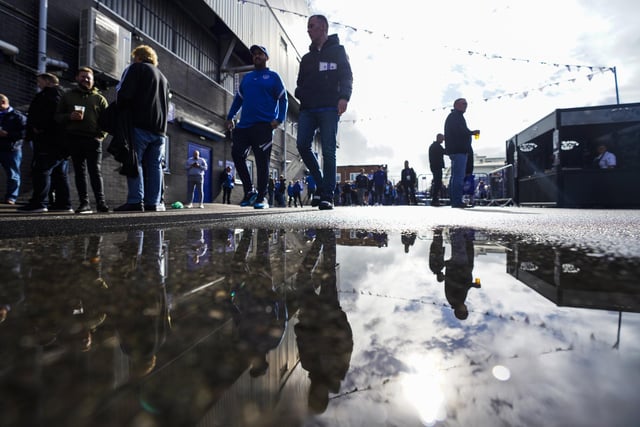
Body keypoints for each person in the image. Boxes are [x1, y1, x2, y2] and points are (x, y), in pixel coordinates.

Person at [295, 14, 353, 211]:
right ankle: (320, 184)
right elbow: (299, 83)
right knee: (302, 145)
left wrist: (344, 97)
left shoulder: (338, 51)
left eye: (311, 26)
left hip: (329, 107)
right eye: (308, 26)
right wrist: (301, 94)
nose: (308, 30)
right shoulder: (307, 58)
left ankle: (327, 194)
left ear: (322, 27)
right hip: (308, 109)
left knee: (328, 150)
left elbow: (346, 76)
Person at [225, 44, 288, 210]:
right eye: (254, 55)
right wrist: (230, 116)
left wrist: (279, 119)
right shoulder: (247, 78)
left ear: (266, 57)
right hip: (244, 126)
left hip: (263, 126)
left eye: (260, 54)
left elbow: (283, 99)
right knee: (237, 154)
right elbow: (238, 99)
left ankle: (262, 197)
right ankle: (249, 192)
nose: (256, 57)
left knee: (262, 162)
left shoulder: (273, 77)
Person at [113, 45, 170, 212]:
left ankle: (136, 200)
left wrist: (119, 108)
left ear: (138, 57)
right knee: (155, 165)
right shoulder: (164, 78)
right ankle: (154, 202)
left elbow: (124, 94)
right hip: (160, 130)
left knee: (134, 160)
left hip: (140, 123)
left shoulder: (136, 68)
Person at [56, 67, 109, 214]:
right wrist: (69, 117)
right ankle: (84, 203)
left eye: (88, 78)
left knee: (95, 172)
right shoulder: (68, 96)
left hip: (93, 139)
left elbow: (108, 121)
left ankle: (101, 203)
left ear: (93, 81)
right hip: (74, 138)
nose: (85, 79)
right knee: (79, 172)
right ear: (77, 78)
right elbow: (57, 116)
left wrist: (101, 136)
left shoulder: (99, 98)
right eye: (83, 77)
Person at [18, 73, 72, 213]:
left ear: (48, 81)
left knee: (42, 171)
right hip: (61, 142)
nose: (38, 84)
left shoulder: (49, 95)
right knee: (60, 174)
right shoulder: (63, 95)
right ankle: (63, 204)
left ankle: (39, 203)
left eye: (40, 81)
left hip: (48, 141)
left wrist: (38, 127)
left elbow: (49, 114)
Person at [444, 98, 479, 208]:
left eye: (466, 104)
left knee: (455, 176)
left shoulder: (454, 116)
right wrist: (471, 132)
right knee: (458, 177)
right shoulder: (456, 116)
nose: (465, 106)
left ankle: (455, 200)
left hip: (456, 150)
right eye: (463, 103)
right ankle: (457, 201)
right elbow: (460, 131)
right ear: (456, 105)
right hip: (459, 150)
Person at [0, 94, 27, 205]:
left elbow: (24, 133)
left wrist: (8, 134)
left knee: (13, 174)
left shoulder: (18, 116)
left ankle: (11, 197)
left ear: (2, 102)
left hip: (12, 149)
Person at [429, 133, 445, 206]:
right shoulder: (437, 146)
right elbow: (445, 152)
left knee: (437, 183)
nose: (443, 140)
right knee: (437, 183)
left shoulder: (433, 146)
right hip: (437, 167)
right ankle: (435, 199)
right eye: (442, 138)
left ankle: (435, 199)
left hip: (434, 166)